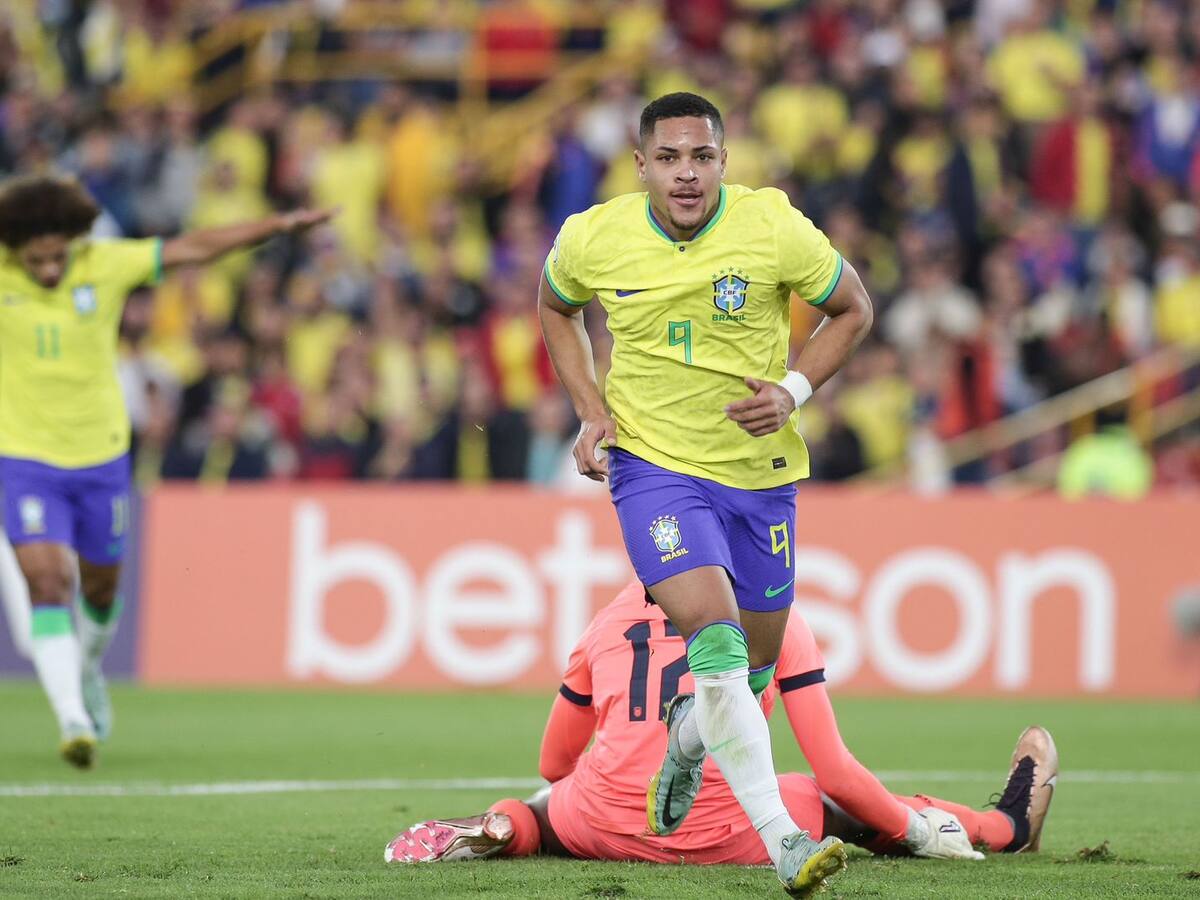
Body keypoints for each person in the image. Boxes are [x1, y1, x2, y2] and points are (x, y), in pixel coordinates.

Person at [537, 91, 873, 895]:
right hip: (653, 469)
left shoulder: (772, 226)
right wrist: (590, 409)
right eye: (670, 158)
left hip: (759, 479)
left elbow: (853, 308)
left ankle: (690, 735)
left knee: (751, 666)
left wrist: (792, 391)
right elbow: (555, 305)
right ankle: (784, 841)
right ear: (641, 163)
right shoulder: (593, 236)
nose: (687, 175)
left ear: (725, 160)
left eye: (703, 157)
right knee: (716, 641)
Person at [0, 173, 331, 768]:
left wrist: (275, 226)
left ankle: (89, 671)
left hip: (100, 456)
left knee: (100, 590)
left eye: (58, 257)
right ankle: (72, 716)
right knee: (47, 584)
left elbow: (195, 247)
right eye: (36, 261)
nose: (49, 270)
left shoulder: (104, 263)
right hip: (23, 459)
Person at [385, 581, 1058, 874]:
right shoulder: (775, 618)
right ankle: (1003, 827)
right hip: (736, 834)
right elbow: (838, 773)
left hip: (604, 830)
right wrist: (906, 827)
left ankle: (501, 828)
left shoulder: (605, 622)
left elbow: (554, 762)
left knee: (545, 805)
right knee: (823, 800)